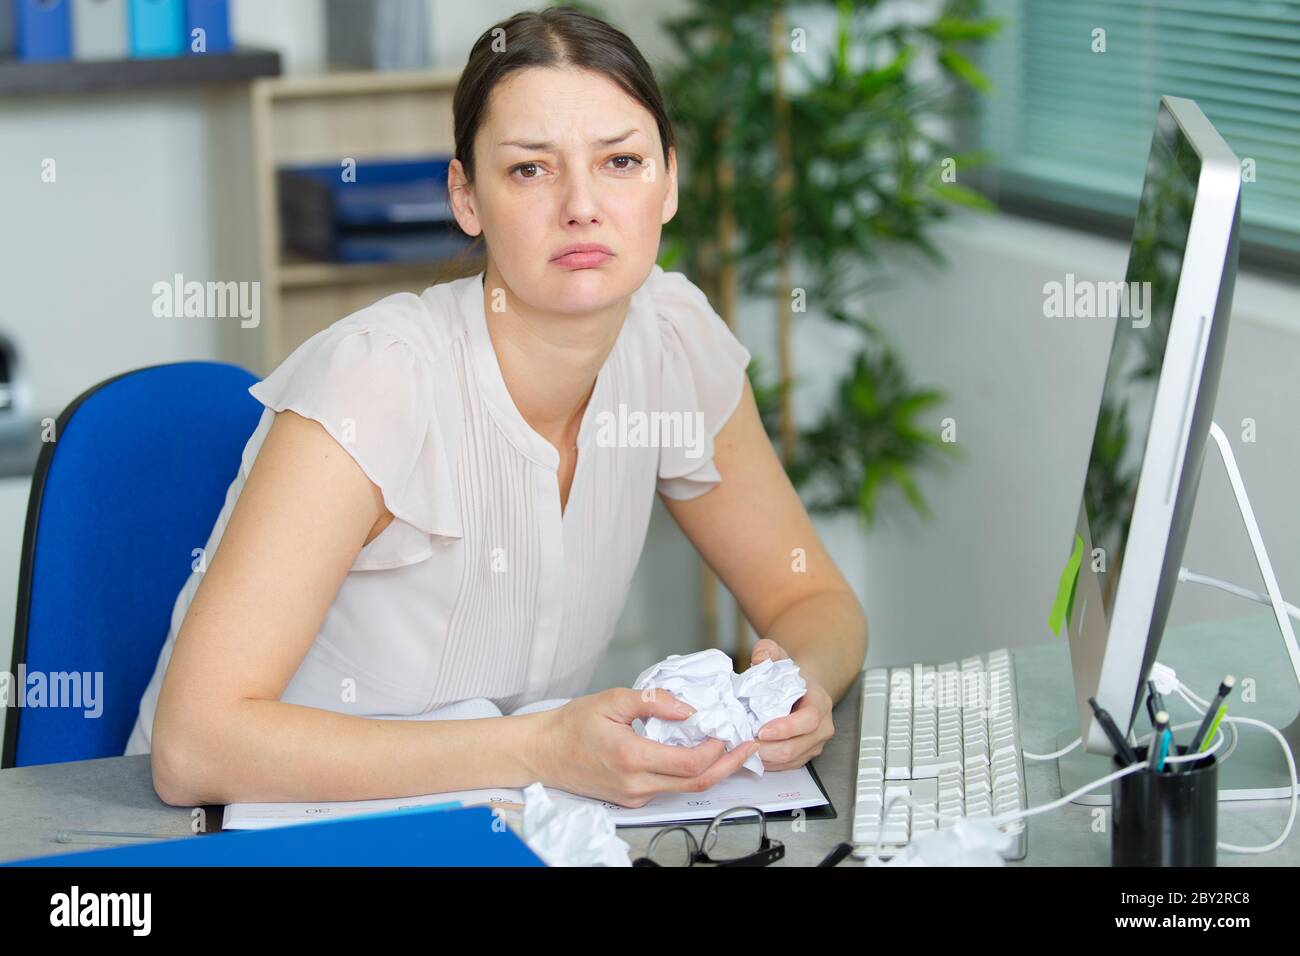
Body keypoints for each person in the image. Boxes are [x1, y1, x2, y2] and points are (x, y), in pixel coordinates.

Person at [133, 6, 868, 810]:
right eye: (530, 169)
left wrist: (799, 688)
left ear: (669, 183)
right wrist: (542, 750)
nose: (582, 205)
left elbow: (813, 602)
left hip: (501, 822)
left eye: (621, 161)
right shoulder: (378, 381)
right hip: (254, 828)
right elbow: (193, 748)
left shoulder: (672, 341)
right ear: (466, 197)